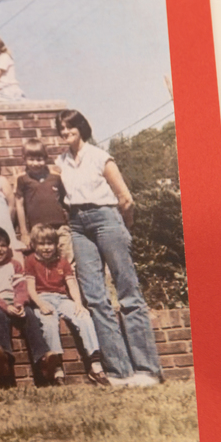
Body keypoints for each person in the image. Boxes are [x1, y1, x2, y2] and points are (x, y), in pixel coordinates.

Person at [55, 109, 162, 387]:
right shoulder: (61, 161)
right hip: (78, 224)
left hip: (107, 218)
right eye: (61, 129)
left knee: (127, 291)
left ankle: (147, 370)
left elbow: (126, 199)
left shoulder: (100, 157)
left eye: (70, 127)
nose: (66, 133)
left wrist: (124, 228)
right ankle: (119, 371)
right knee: (95, 297)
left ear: (81, 127)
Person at [25, 224, 108, 386]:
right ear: (35, 245)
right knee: (48, 322)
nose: (47, 248)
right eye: (42, 244)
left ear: (56, 244)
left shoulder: (62, 262)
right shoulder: (30, 261)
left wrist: (78, 303)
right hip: (43, 298)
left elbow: (72, 285)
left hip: (61, 298)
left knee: (83, 316)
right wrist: (40, 304)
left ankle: (95, 364)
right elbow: (30, 288)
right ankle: (56, 368)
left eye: (50, 243)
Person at [0, 226, 55, 388]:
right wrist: (6, 306)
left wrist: (19, 304)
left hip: (16, 302)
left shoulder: (15, 264)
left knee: (30, 315)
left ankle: (42, 359)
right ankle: (4, 359)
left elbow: (21, 287)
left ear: (8, 247)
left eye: (3, 245)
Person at [15, 139, 72, 262]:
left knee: (67, 258)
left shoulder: (56, 177)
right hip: (38, 228)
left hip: (59, 227)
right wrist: (24, 232)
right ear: (24, 159)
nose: (35, 163)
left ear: (46, 158)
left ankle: (70, 280)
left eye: (39, 159)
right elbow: (19, 205)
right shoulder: (23, 179)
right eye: (31, 159)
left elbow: (64, 200)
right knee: (43, 261)